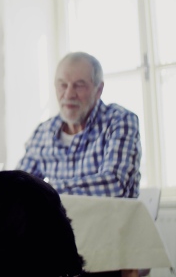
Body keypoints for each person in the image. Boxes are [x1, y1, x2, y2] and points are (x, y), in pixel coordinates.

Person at [17, 51, 141, 198]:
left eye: (79, 86)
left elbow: (115, 185)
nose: (69, 94)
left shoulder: (120, 121)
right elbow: (17, 187)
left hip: (109, 221)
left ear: (99, 90)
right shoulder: (43, 132)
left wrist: (45, 190)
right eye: (63, 85)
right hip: (60, 221)